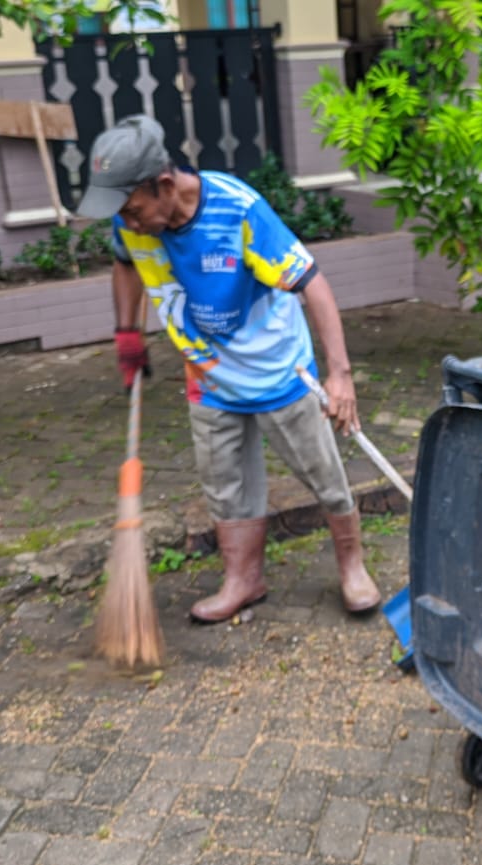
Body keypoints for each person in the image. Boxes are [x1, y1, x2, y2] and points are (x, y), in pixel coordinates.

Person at [76, 114, 383, 624]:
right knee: (225, 483)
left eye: (133, 209)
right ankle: (244, 580)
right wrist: (126, 332)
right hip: (209, 376)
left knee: (324, 475)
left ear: (166, 185)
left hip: (278, 371)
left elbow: (313, 284)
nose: (128, 222)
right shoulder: (131, 219)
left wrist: (340, 375)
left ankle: (353, 569)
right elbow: (125, 263)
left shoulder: (237, 210)